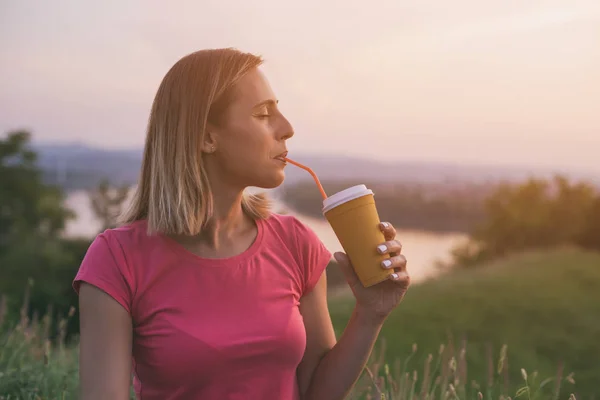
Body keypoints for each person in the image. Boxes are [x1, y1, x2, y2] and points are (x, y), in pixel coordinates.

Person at [74, 48, 410, 400]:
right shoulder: (116, 260)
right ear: (206, 137)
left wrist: (371, 313)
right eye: (264, 113)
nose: (287, 129)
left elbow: (315, 392)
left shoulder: (296, 243)